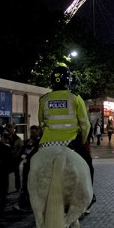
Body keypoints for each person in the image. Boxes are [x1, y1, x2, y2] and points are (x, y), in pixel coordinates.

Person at [39, 65, 95, 209]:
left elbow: (41, 123)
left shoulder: (44, 99)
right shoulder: (75, 98)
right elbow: (85, 125)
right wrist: (82, 141)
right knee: (88, 165)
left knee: (28, 163)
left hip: (47, 144)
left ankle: (26, 195)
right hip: (70, 143)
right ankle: (90, 196)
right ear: (68, 81)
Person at [14, 125, 42, 211]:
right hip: (26, 166)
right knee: (25, 184)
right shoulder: (28, 142)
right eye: (31, 132)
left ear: (38, 132)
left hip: (35, 166)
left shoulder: (40, 143)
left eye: (34, 132)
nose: (32, 134)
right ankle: (25, 201)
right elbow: (23, 151)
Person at [3, 123, 23, 193]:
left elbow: (21, 148)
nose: (10, 129)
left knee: (16, 173)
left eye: (11, 128)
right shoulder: (5, 137)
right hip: (7, 158)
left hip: (15, 158)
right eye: (8, 128)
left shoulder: (17, 138)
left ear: (13, 129)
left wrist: (18, 154)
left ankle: (18, 187)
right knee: (5, 173)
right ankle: (6, 188)